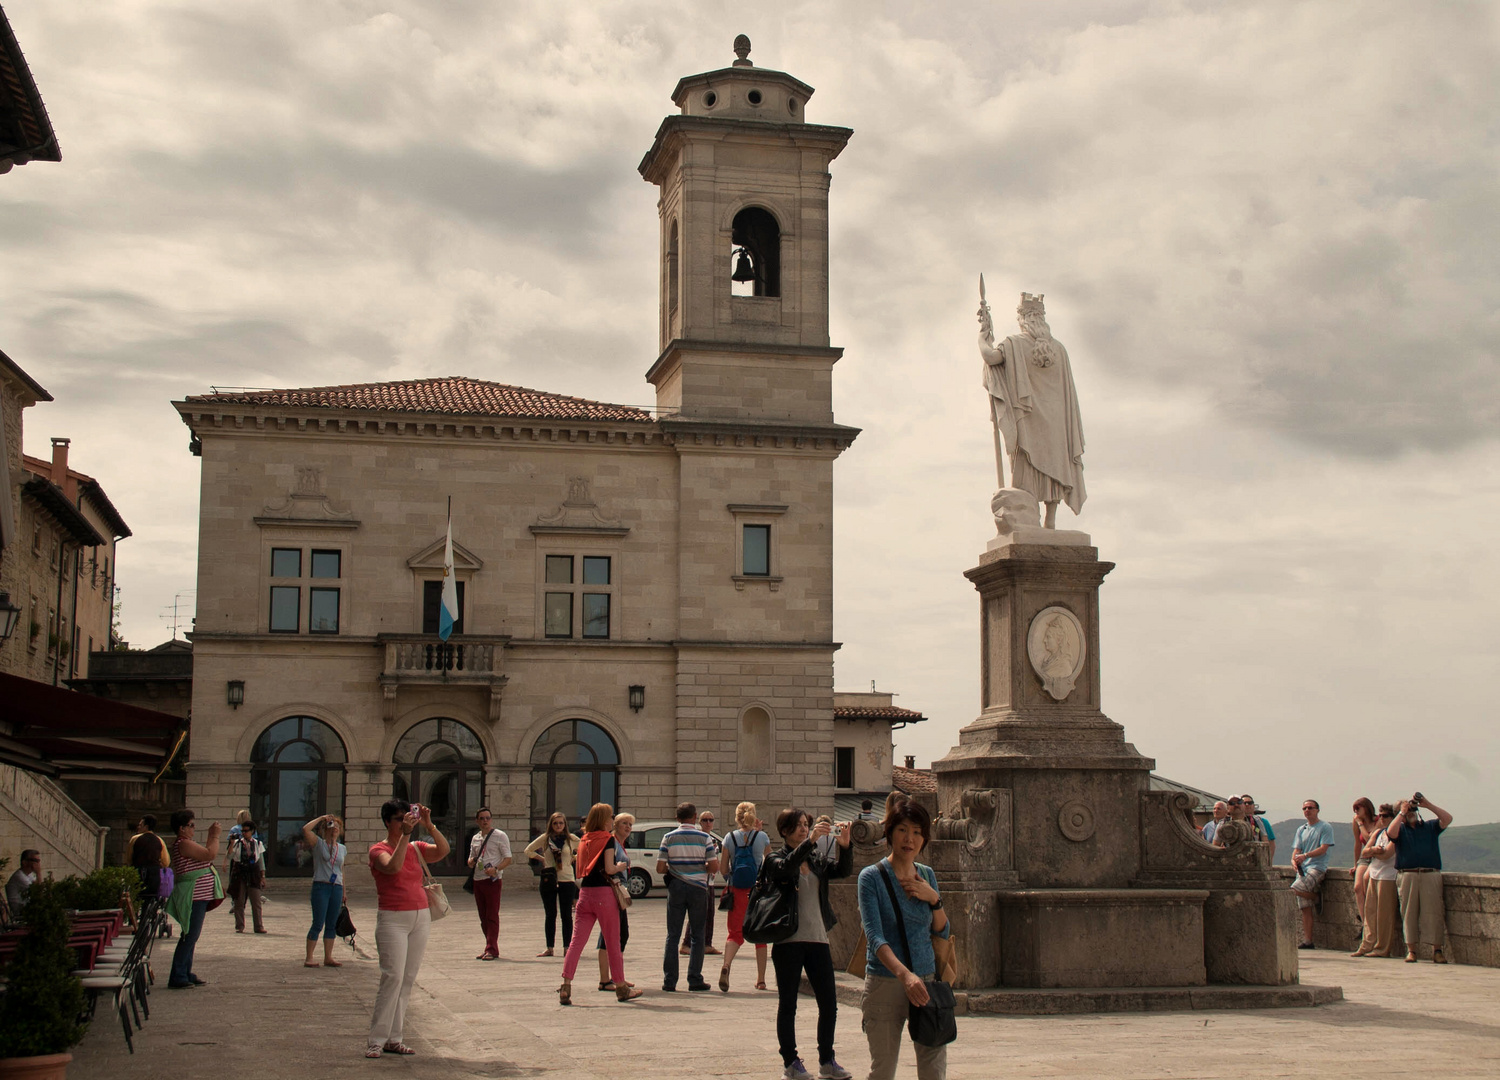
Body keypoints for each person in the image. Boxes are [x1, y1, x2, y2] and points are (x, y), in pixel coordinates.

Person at [858, 800, 950, 1080]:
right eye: (902, 830)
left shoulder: (927, 875)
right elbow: (875, 937)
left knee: (934, 1070)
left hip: (927, 982)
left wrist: (934, 899)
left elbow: (942, 932)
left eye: (917, 832)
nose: (909, 839)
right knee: (883, 1070)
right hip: (886, 982)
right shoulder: (870, 878)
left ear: (924, 839)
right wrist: (905, 975)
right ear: (890, 833)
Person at [977, 290, 1086, 528]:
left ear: (1023, 319)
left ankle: (1029, 518)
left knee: (1027, 461)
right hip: (1057, 420)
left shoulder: (1014, 344)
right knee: (1055, 463)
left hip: (1028, 418)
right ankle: (1050, 520)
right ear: (1042, 319)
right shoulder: (1060, 350)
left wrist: (982, 337)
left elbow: (990, 357)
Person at [763, 808, 855, 1080]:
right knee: (788, 1003)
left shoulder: (814, 859)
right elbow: (787, 868)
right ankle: (790, 1062)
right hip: (788, 941)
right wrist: (811, 841)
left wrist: (845, 847)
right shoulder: (774, 859)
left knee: (829, 1002)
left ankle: (827, 1060)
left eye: (807, 825)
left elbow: (842, 871)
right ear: (784, 830)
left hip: (817, 939)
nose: (804, 829)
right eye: (798, 826)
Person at [366, 799, 450, 1058]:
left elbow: (443, 851)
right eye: (399, 818)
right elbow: (392, 867)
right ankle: (376, 1040)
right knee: (392, 977)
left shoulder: (416, 846)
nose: (405, 821)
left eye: (407, 816)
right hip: (392, 918)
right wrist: (404, 836)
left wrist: (429, 825)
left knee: (407, 979)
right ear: (388, 822)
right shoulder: (378, 849)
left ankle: (395, 1037)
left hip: (419, 916)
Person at [558, 803, 642, 1004]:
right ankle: (621, 987)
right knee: (613, 942)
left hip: (585, 893)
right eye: (610, 817)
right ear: (605, 820)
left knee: (576, 942)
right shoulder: (607, 839)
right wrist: (621, 865)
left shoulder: (584, 839)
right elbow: (609, 868)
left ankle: (566, 985)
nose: (612, 820)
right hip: (605, 895)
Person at [657, 801, 718, 992]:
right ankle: (694, 979)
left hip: (676, 887)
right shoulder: (705, 838)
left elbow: (660, 868)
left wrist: (677, 870)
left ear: (677, 818)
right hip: (699, 888)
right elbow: (714, 867)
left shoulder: (668, 837)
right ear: (695, 817)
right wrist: (698, 868)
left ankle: (670, 981)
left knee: (672, 935)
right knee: (698, 935)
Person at [1387, 793, 1454, 964]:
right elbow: (1390, 832)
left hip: (1429, 873)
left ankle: (1437, 950)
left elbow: (1447, 818)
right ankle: (1412, 950)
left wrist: (1427, 804)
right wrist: (1401, 813)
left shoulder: (1430, 827)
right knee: (1408, 913)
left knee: (1434, 913)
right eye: (1408, 809)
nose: (1411, 811)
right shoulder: (1400, 829)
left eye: (1412, 809)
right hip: (1407, 873)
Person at [718, 800, 771, 993]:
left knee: (734, 934)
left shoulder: (729, 838)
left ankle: (726, 965)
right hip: (757, 892)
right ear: (754, 816)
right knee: (760, 936)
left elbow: (723, 868)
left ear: (736, 817)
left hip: (736, 891)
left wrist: (730, 879)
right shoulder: (762, 837)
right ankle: (761, 979)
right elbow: (770, 863)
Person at [166, 809, 223, 988]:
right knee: (189, 936)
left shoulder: (187, 843)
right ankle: (178, 975)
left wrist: (211, 837)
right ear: (181, 828)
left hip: (199, 895)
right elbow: (210, 854)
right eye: (191, 826)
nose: (193, 829)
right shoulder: (183, 844)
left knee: (191, 935)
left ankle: (184, 971)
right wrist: (214, 836)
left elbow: (205, 854)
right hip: (194, 895)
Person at [524, 812, 579, 957]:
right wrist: (542, 859)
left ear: (565, 824)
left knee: (566, 914)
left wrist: (574, 858)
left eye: (561, 823)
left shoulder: (571, 839)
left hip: (567, 880)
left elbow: (586, 851)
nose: (558, 826)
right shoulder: (545, 839)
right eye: (555, 823)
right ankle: (550, 947)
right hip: (550, 879)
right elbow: (528, 850)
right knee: (550, 914)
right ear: (551, 825)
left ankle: (567, 947)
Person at [1352, 804, 1399, 957]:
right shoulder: (1378, 832)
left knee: (1384, 915)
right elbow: (1364, 852)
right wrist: (1374, 851)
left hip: (1388, 876)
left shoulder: (1397, 834)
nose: (1382, 819)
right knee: (1370, 911)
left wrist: (1373, 852)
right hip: (1374, 874)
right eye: (1380, 816)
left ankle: (1382, 948)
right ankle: (1366, 944)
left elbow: (1387, 854)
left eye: (1385, 816)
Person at [466, 807, 512, 961]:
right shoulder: (475, 838)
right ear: (477, 821)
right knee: (483, 916)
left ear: (491, 820)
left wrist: (496, 869)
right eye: (482, 818)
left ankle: (492, 948)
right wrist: (471, 862)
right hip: (478, 880)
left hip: (493, 880)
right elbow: (470, 858)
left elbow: (508, 858)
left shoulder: (500, 836)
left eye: (488, 818)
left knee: (492, 915)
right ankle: (489, 946)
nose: (485, 821)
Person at [597, 812, 635, 992]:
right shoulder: (611, 842)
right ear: (616, 825)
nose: (628, 827)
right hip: (612, 892)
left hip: (619, 892)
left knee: (620, 934)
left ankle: (617, 976)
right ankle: (606, 980)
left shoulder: (621, 844)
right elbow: (609, 867)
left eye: (630, 824)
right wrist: (620, 867)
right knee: (609, 936)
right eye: (624, 824)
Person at [302, 813, 346, 967]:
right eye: (332, 826)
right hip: (321, 886)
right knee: (318, 922)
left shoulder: (342, 848)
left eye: (337, 827)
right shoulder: (319, 844)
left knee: (331, 923)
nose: (334, 829)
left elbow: (340, 870)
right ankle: (310, 957)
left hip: (336, 887)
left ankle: (328, 956)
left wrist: (344, 891)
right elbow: (306, 830)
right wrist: (321, 819)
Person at [1290, 799, 1335, 949]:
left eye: (1310, 808)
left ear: (1317, 810)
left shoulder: (1325, 827)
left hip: (1317, 867)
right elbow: (1297, 849)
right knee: (1304, 907)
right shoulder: (1301, 829)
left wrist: (1306, 856)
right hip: (1303, 869)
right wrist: (1293, 860)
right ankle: (1308, 941)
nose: (1307, 810)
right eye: (1304, 808)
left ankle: (1316, 898)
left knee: (1293, 890)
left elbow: (1323, 848)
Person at [680, 808, 722, 957]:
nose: (708, 823)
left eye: (711, 820)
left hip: (710, 880)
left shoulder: (714, 840)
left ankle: (707, 943)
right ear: (699, 822)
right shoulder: (699, 838)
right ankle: (686, 943)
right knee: (697, 913)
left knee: (709, 913)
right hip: (700, 880)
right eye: (705, 820)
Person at [226, 819, 267, 934]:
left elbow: (261, 861)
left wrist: (263, 876)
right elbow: (230, 856)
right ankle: (239, 925)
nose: (244, 833)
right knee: (239, 900)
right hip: (240, 872)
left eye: (246, 831)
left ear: (252, 831)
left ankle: (258, 926)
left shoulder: (257, 844)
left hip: (253, 872)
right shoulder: (238, 844)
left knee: (256, 901)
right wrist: (231, 843)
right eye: (242, 831)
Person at [1350, 797, 1379, 931]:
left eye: (1358, 808)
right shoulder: (1355, 822)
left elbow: (1369, 840)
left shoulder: (1378, 820)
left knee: (1368, 885)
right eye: (1354, 809)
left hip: (1377, 856)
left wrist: (1361, 824)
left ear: (1366, 808)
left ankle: (1372, 922)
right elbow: (1357, 843)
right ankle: (1365, 923)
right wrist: (1356, 864)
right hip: (1364, 857)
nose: (1356, 811)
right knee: (1357, 887)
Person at [127, 816, 170, 898]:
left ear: (146, 827)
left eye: (140, 825)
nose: (138, 827)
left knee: (137, 897)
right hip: (154, 874)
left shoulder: (135, 839)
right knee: (151, 898)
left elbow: (129, 858)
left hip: (138, 872)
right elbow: (166, 862)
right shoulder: (160, 840)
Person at [5, 850, 40, 914]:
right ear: (24, 862)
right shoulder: (19, 876)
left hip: (27, 906)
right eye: (35, 861)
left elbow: (39, 888)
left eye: (38, 861)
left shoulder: (30, 874)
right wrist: (38, 873)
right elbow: (37, 891)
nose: (38, 864)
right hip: (20, 909)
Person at [1242, 795, 1275, 861]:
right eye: (1244, 803)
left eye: (1250, 803)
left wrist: (1268, 860)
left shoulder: (1263, 822)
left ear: (1254, 806)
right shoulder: (1234, 822)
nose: (1247, 805)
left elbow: (1271, 843)